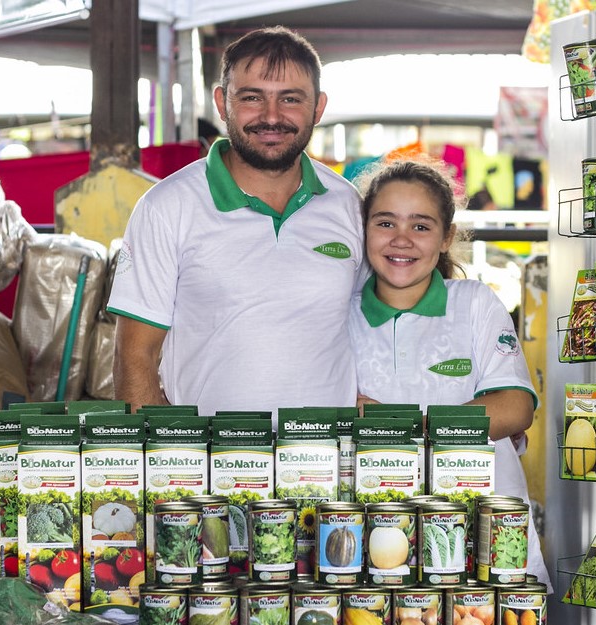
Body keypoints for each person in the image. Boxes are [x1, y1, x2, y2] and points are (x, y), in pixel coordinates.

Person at [107, 26, 365, 416]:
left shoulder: (347, 204)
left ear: (318, 107)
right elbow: (134, 358)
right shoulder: (166, 207)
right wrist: (173, 456)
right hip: (213, 465)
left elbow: (372, 328)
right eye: (251, 98)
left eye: (290, 99)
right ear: (222, 103)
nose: (272, 116)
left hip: (327, 463)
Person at [349, 159, 550, 587]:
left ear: (446, 238)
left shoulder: (474, 303)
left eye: (421, 226)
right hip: (382, 540)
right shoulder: (339, 313)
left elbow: (514, 409)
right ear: (362, 229)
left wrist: (401, 427)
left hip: (488, 538)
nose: (401, 239)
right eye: (385, 223)